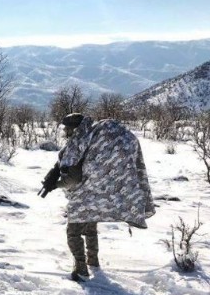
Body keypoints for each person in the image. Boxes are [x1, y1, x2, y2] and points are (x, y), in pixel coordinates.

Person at [40, 113, 155, 281]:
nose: (65, 132)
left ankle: (80, 268)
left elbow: (73, 179)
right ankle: (93, 261)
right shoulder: (93, 138)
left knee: (73, 232)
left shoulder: (78, 144)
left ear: (74, 129)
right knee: (90, 228)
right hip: (95, 195)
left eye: (67, 128)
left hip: (82, 196)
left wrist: (55, 185)